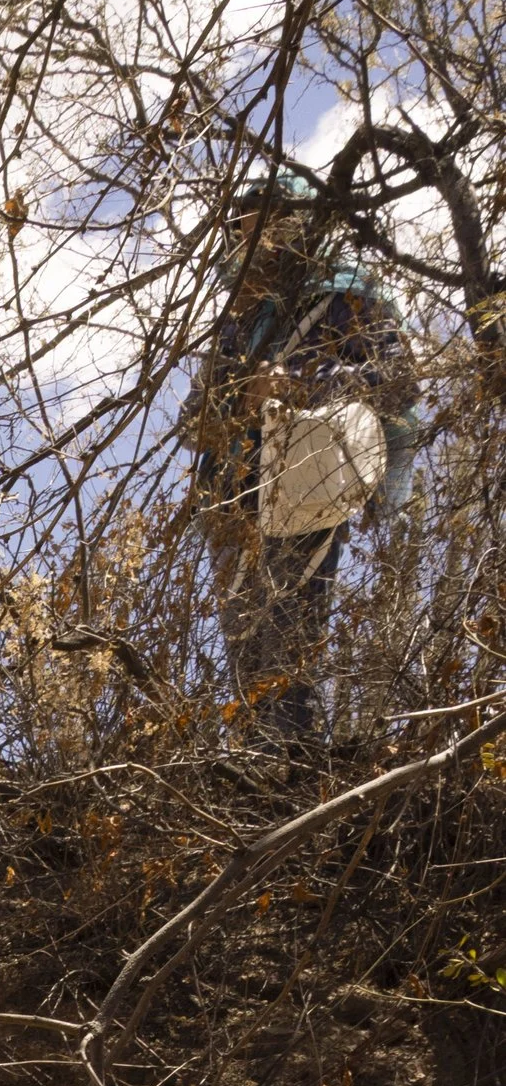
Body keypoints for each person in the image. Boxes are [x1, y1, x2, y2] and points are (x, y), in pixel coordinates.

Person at [184, 171, 421, 753]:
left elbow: (396, 380)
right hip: (235, 492)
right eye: (246, 230)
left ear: (302, 225)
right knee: (244, 634)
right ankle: (251, 765)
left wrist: (302, 385)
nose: (256, 241)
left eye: (271, 224)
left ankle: (291, 764)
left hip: (308, 475)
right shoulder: (241, 318)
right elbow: (195, 416)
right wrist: (223, 409)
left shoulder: (348, 296)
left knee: (292, 622)